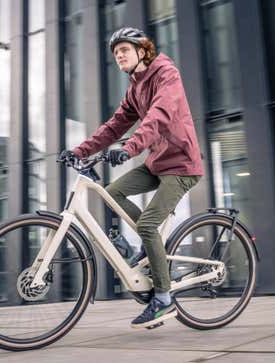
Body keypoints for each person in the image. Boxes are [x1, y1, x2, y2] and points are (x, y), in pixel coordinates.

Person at [59, 27, 203, 329]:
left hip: (181, 164)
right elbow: (113, 126)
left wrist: (129, 148)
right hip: (157, 162)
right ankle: (147, 252)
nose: (118, 55)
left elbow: (160, 115)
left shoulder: (167, 74)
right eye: (115, 52)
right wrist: (80, 150)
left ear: (142, 51)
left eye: (124, 49)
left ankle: (163, 299)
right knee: (112, 192)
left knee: (149, 225)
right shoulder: (134, 88)